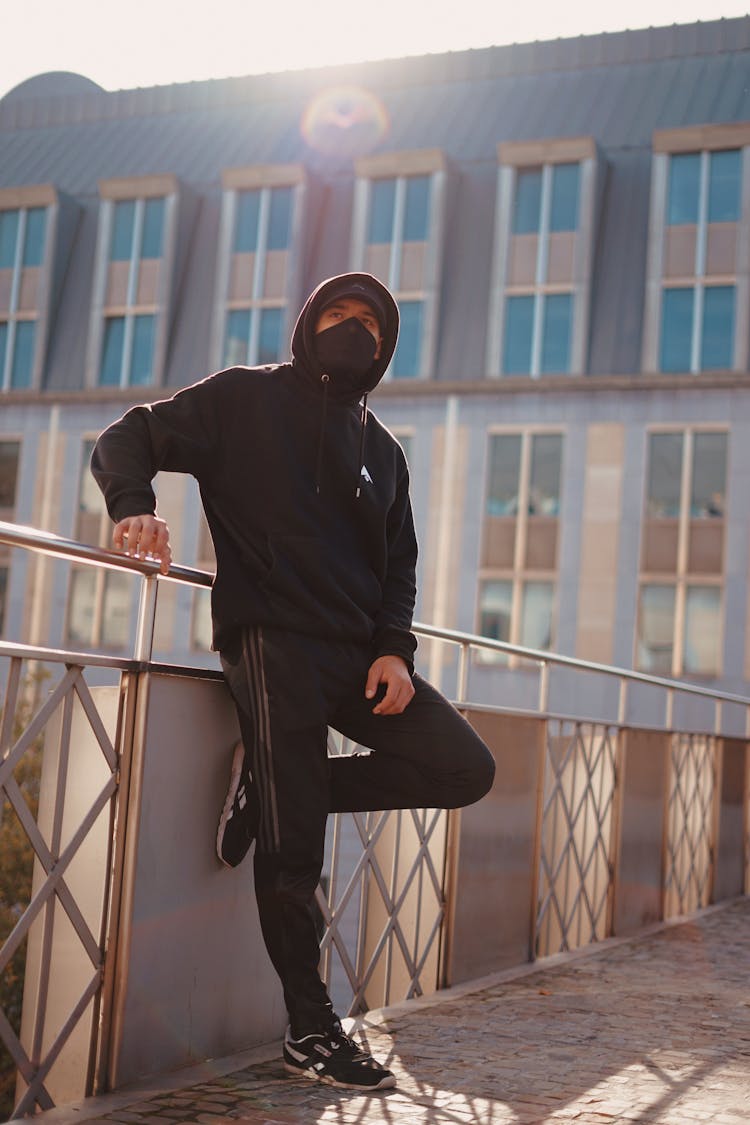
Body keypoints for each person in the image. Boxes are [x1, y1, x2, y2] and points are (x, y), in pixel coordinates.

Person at [91, 272, 495, 1093]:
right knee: (293, 856)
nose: (354, 331)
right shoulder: (242, 399)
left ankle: (275, 787)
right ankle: (310, 1028)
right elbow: (127, 437)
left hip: (359, 658)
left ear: (384, 350)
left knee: (465, 768)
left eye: (371, 326)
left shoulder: (384, 451)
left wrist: (395, 648)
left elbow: (401, 566)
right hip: (271, 637)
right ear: (309, 323)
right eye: (339, 315)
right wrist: (134, 504)